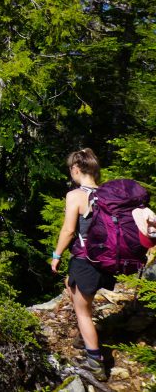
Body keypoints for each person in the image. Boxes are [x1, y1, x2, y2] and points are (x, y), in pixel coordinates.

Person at [50, 147, 112, 380]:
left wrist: (56, 255)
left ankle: (95, 363)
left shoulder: (76, 195)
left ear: (76, 169)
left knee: (82, 312)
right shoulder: (108, 193)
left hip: (86, 260)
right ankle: (85, 336)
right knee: (71, 285)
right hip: (107, 259)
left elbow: (68, 231)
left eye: (71, 170)